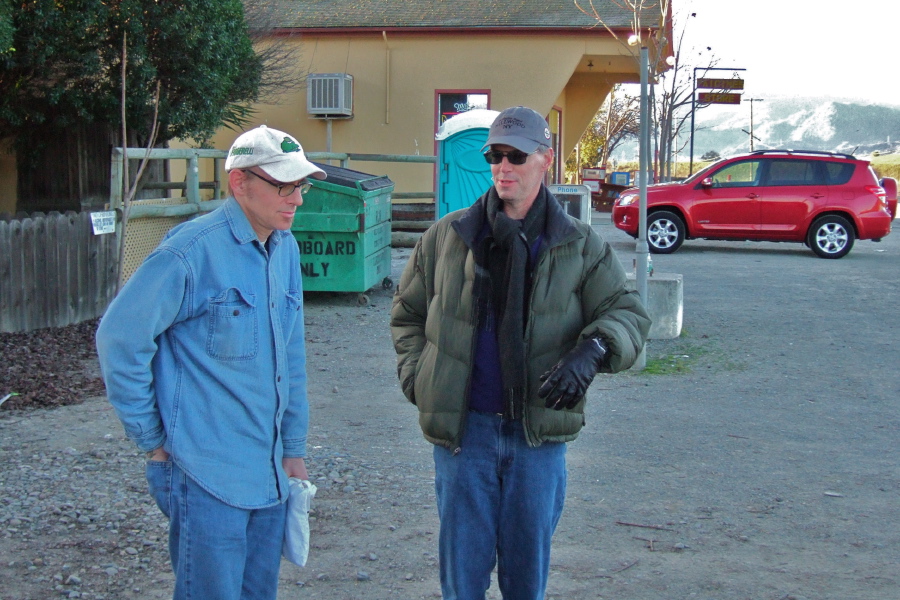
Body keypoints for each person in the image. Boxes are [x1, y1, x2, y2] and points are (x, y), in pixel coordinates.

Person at [390, 106, 651, 600]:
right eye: (495, 155)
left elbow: (629, 313)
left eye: (516, 155)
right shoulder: (449, 237)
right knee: (461, 582)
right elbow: (407, 315)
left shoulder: (578, 244)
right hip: (465, 436)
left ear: (545, 159)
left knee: (526, 583)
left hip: (538, 441)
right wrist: (420, 378)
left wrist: (593, 349)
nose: (503, 166)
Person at [96, 125, 324, 600]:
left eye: (300, 185)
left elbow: (292, 357)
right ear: (239, 183)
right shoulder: (189, 251)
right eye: (283, 185)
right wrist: (154, 440)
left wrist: (293, 449)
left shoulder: (285, 249)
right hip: (205, 475)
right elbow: (120, 339)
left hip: (269, 475)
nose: (296, 199)